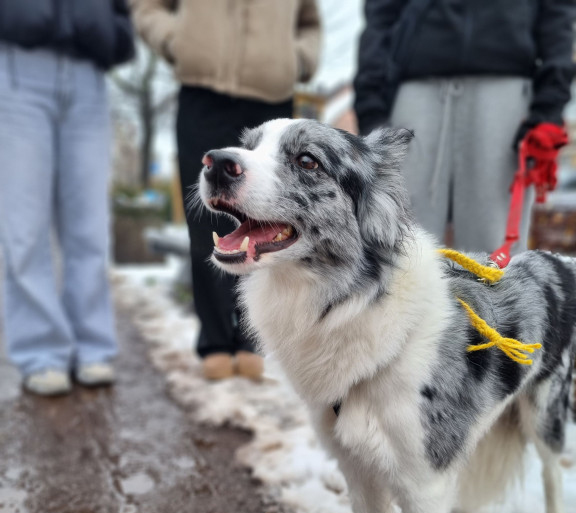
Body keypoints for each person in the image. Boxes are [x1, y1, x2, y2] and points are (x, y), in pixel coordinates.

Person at [130, 0, 321, 381]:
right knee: (206, 220)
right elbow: (147, 6)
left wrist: (297, 59)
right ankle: (215, 341)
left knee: (268, 219)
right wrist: (176, 41)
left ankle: (252, 339)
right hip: (203, 93)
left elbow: (309, 21)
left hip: (270, 94)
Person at [354, 0, 576, 254]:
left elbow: (557, 13)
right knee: (397, 249)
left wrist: (548, 109)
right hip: (414, 86)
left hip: (505, 89)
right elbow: (381, 12)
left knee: (494, 256)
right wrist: (371, 104)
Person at [0, 0, 135, 396]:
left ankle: (92, 346)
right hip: (18, 66)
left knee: (90, 227)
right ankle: (41, 353)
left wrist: (112, 34)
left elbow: (122, 14)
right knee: (24, 227)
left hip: (88, 75)